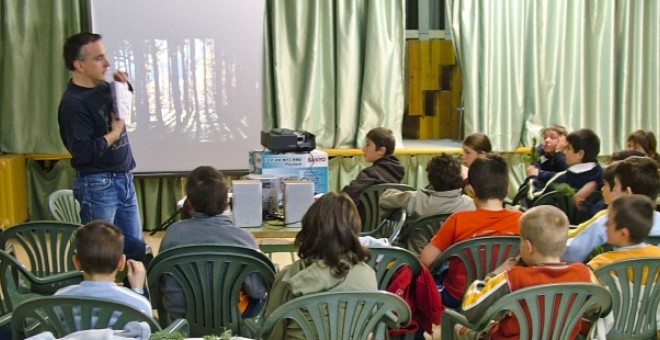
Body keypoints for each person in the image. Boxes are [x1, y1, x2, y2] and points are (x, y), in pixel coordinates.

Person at [58, 32, 145, 261]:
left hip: (123, 178)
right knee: (102, 256)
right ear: (79, 65)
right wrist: (115, 133)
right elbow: (84, 152)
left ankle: (135, 293)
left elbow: (123, 106)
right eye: (98, 59)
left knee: (135, 247)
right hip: (98, 184)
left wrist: (124, 86)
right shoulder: (73, 105)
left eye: (105, 56)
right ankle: (104, 297)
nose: (107, 63)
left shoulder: (104, 87)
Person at [456, 205, 598, 340]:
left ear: (528, 246)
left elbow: (471, 310)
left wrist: (491, 276)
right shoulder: (584, 274)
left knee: (458, 328)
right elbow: (598, 308)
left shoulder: (513, 278)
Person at [264, 192, 378, 340]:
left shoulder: (289, 277)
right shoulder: (368, 276)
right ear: (354, 230)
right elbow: (370, 327)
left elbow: (273, 333)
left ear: (309, 228)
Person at [158, 166, 267, 320]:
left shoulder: (172, 235)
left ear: (189, 203)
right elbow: (258, 291)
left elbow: (161, 283)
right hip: (234, 317)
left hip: (181, 318)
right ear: (227, 200)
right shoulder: (243, 239)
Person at [420, 155, 522, 308]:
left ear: (471, 190)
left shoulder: (458, 220)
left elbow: (426, 260)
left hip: (459, 296)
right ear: (507, 189)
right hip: (505, 292)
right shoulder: (522, 220)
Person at [563, 156, 660, 262]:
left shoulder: (607, 224)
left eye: (615, 186)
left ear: (627, 193)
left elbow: (571, 255)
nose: (613, 190)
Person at [379, 154, 475, 254]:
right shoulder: (470, 205)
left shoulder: (416, 199)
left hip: (417, 261)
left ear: (430, 178)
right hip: (454, 260)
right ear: (458, 177)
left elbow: (384, 199)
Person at [55, 221, 152, 317]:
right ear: (121, 262)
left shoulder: (58, 300)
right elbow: (146, 326)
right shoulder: (139, 304)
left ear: (76, 262)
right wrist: (138, 290)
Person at [525, 128, 603, 218]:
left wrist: (532, 178)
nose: (564, 152)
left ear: (580, 154)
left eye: (568, 148)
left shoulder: (561, 179)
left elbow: (533, 201)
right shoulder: (605, 177)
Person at [341, 127, 405, 215]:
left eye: (368, 145)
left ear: (381, 150)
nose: (363, 149)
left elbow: (348, 195)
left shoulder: (369, 174)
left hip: (366, 227)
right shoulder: (399, 174)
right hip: (392, 227)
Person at [588, 194, 660, 270]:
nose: (605, 224)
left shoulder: (600, 262)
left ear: (623, 234)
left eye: (609, 222)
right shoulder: (657, 255)